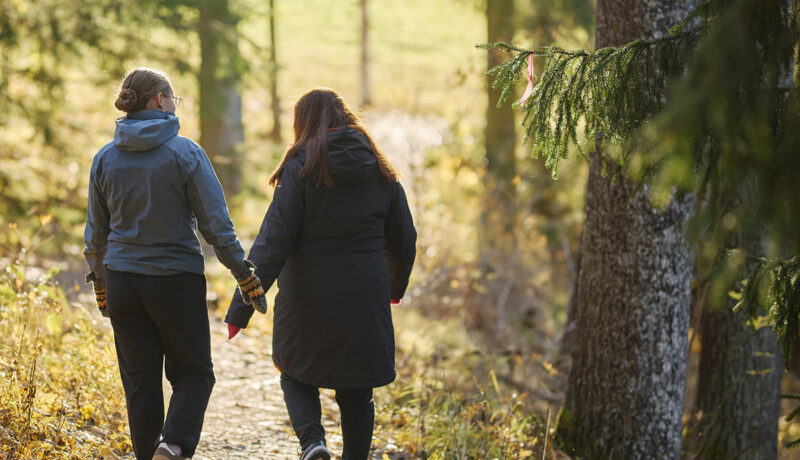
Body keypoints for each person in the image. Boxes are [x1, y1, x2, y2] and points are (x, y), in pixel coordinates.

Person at [84, 67, 266, 460]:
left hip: (122, 282)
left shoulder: (104, 158)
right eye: (173, 99)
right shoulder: (186, 153)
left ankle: (152, 455)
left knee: (140, 384)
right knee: (195, 375)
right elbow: (216, 224)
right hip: (174, 281)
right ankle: (174, 445)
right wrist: (243, 273)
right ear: (159, 101)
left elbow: (96, 233)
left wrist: (100, 283)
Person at [225, 88, 417, 460]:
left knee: (295, 373)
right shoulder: (380, 169)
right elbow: (405, 238)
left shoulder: (299, 170)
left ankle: (313, 444)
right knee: (358, 388)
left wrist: (240, 309)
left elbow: (272, 243)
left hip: (306, 299)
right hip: (364, 298)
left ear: (304, 124)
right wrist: (394, 287)